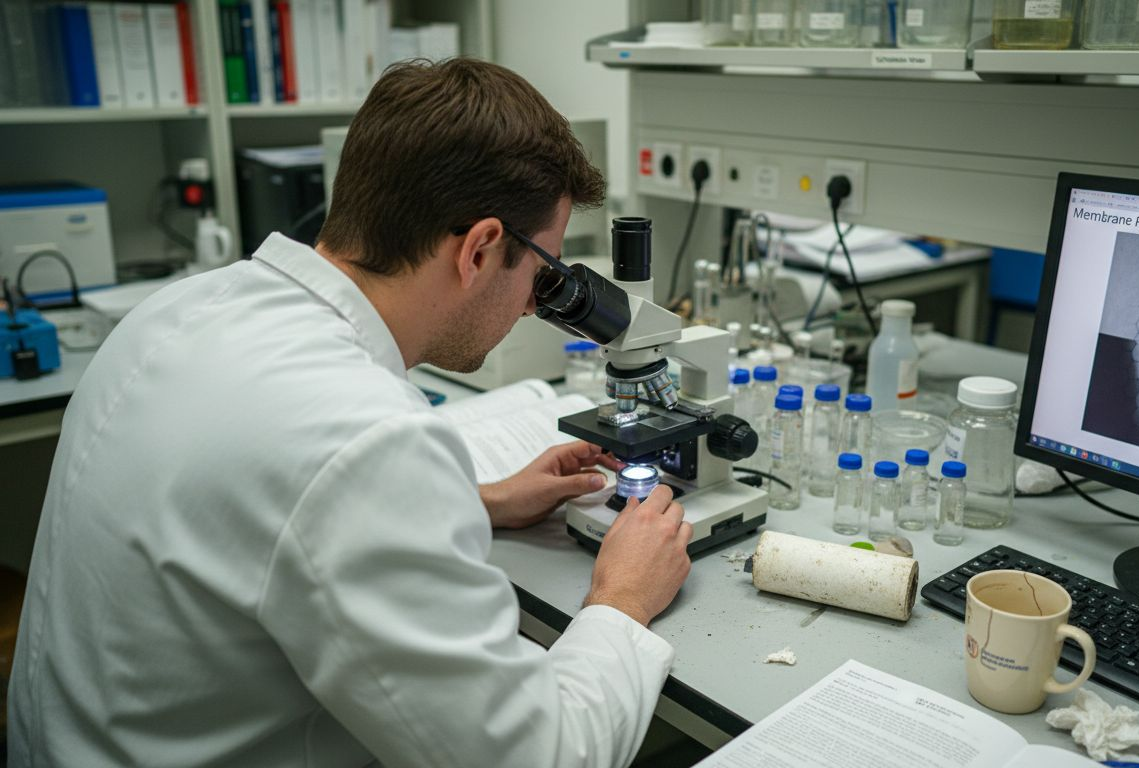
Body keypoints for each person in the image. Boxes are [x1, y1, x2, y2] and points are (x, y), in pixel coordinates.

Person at [7, 58, 693, 768]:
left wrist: (477, 500)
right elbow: (537, 757)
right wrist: (621, 599)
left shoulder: (180, 307)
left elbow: (251, 511)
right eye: (542, 275)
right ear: (481, 249)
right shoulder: (369, 442)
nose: (531, 306)